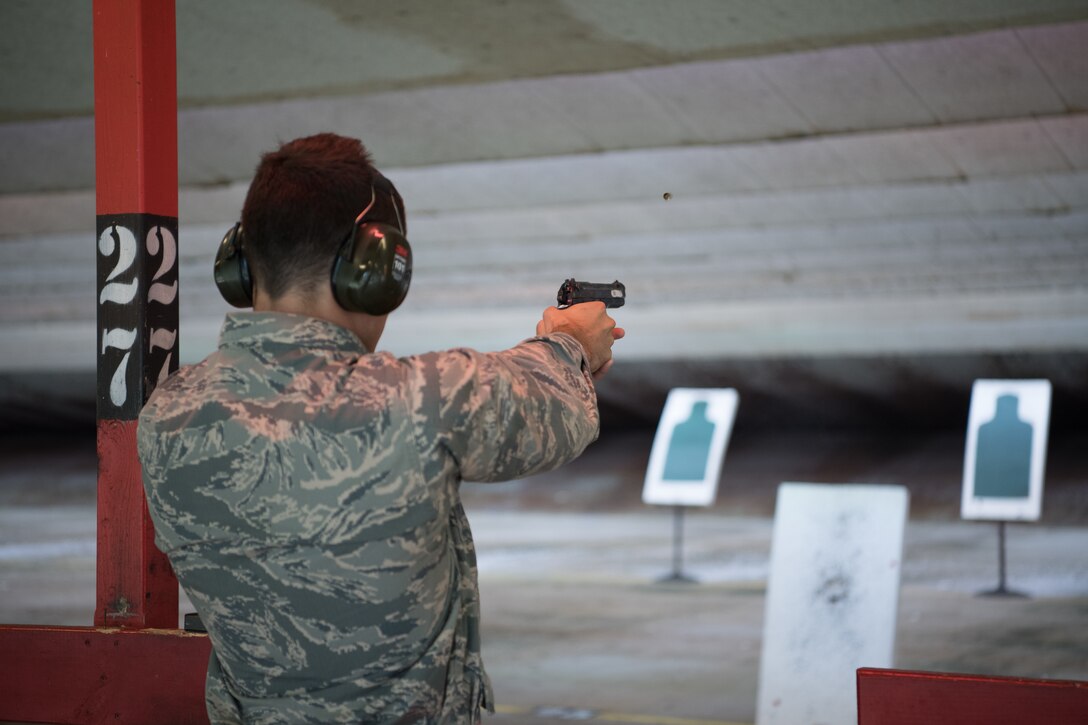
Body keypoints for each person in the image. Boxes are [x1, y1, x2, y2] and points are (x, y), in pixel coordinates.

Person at [137, 132, 623, 724]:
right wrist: (571, 343)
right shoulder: (420, 401)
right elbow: (550, 407)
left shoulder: (167, 415)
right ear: (376, 272)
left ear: (240, 264)